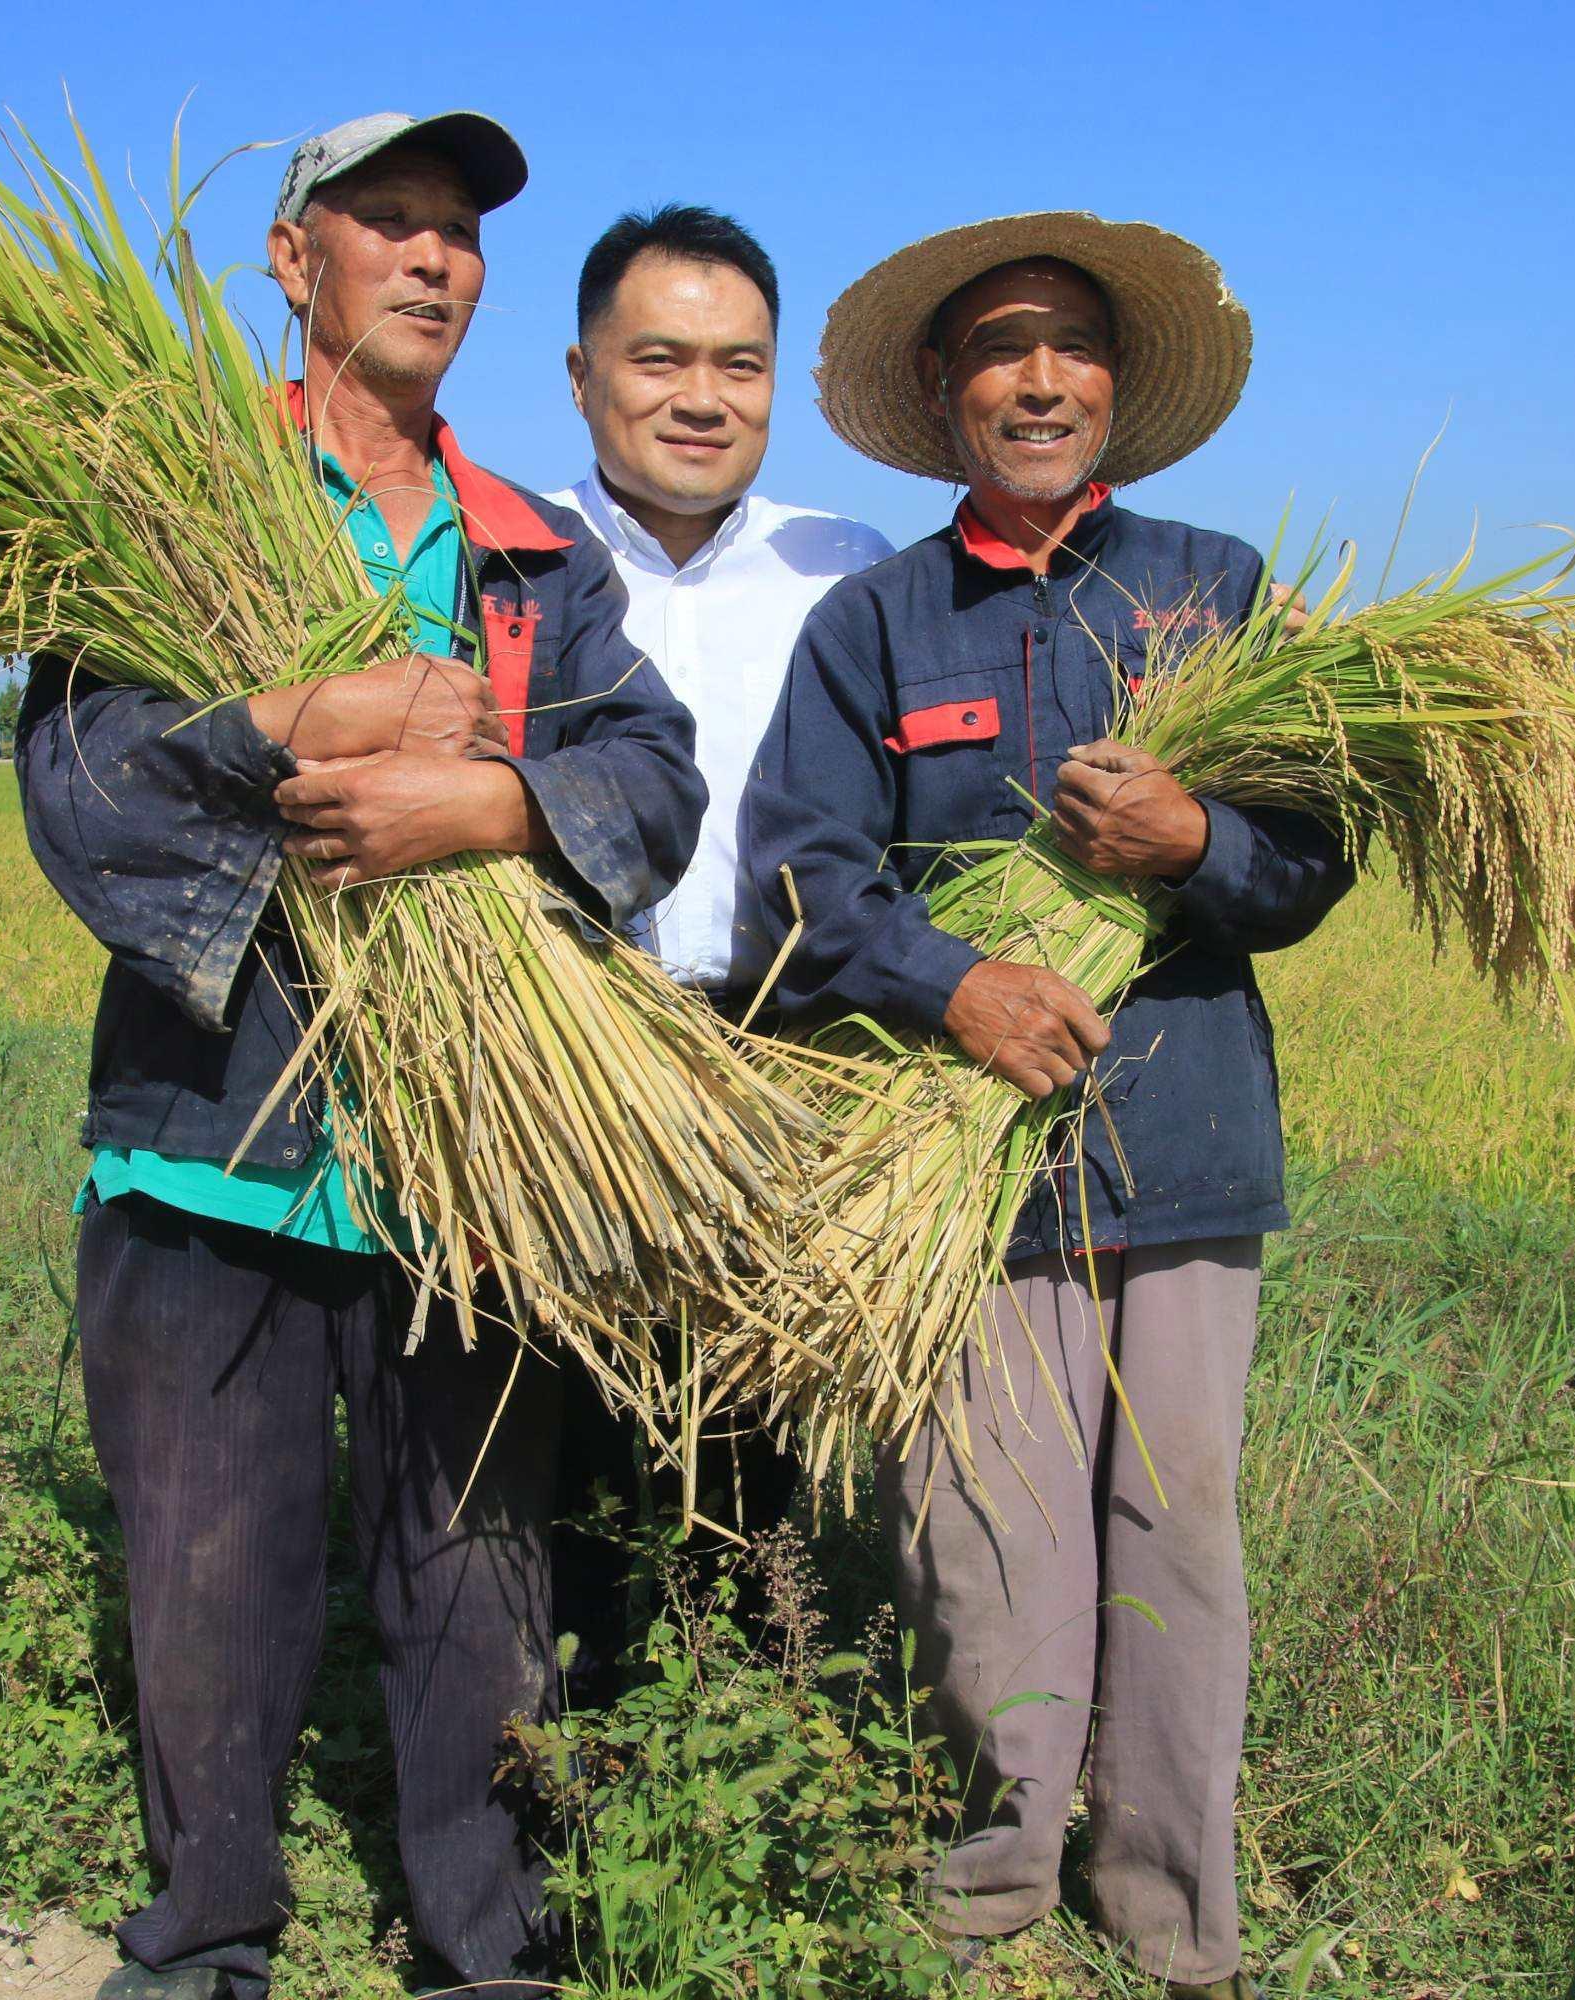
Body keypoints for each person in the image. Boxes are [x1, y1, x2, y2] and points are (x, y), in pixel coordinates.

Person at [14, 110, 704, 2000]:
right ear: (289, 255)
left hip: (477, 1166)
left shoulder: (534, 556)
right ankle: (206, 1946)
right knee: (209, 1583)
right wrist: (279, 717)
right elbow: (77, 783)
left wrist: (484, 812)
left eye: (459, 233)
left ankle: (487, 1952)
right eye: (385, 221)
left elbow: (655, 769)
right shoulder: (160, 496)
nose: (433, 257)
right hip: (212, 1140)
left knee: (474, 1584)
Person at [740, 213, 1353, 1998]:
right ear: (943, 394)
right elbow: (805, 874)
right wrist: (960, 985)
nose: (1038, 376)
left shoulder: (1216, 590)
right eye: (1000, 347)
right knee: (988, 1537)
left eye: (1070, 346)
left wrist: (1202, 846)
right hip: (966, 1165)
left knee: (1179, 1535)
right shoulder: (876, 623)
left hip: (1187, 1144)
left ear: (1116, 386)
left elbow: (1316, 860)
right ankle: (992, 1888)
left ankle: (1169, 1911)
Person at [541, 204, 893, 1636]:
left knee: (751, 1456)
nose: (702, 398)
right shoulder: (506, 553)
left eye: (738, 365)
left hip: (782, 1050)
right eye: (660, 359)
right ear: (581, 377)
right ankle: (558, 1765)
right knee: (553, 1440)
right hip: (559, 1045)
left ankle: (741, 1751)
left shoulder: (849, 562)